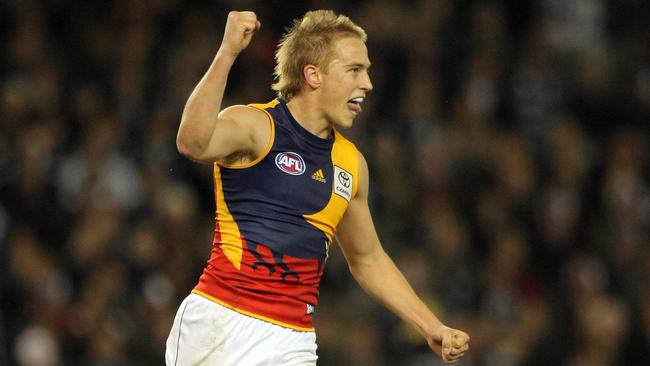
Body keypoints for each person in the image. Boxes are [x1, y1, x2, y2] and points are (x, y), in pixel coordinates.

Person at [166, 9, 470, 365]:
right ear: (313, 75)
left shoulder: (351, 164)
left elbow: (367, 259)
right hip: (221, 321)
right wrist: (227, 53)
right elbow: (192, 143)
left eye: (367, 71)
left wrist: (431, 327)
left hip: (292, 338)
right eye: (355, 70)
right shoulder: (255, 126)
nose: (368, 83)